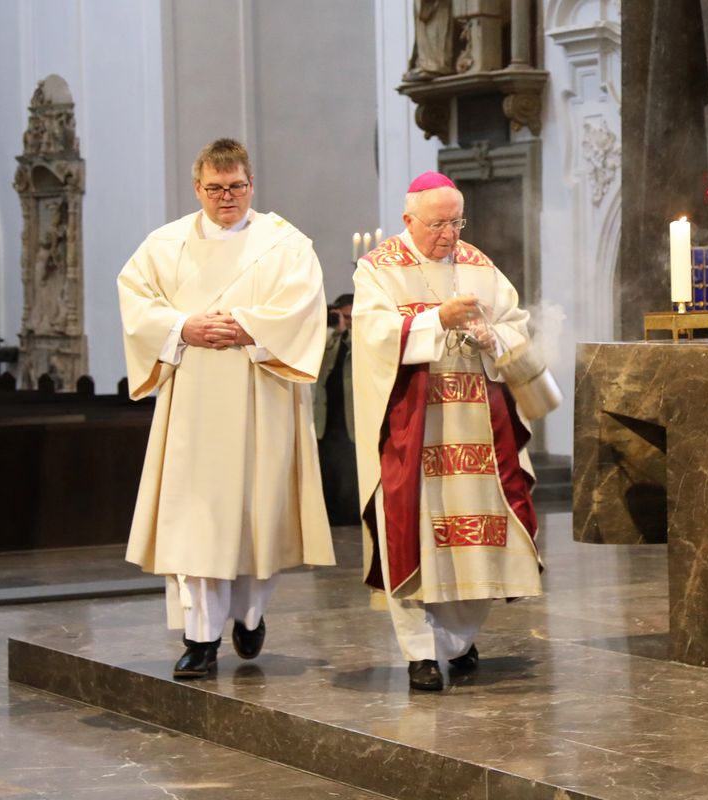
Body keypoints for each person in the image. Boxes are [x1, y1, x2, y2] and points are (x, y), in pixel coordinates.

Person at [117, 138, 334, 679]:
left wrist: (246, 327)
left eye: (236, 186)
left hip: (261, 393)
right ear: (197, 189)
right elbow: (136, 302)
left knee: (256, 515)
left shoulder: (284, 244)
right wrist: (182, 326)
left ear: (250, 184)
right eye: (214, 189)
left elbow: (304, 306)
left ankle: (251, 614)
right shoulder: (164, 246)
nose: (226, 197)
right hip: (193, 401)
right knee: (198, 521)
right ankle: (201, 638)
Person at [351, 171, 543, 691]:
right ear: (408, 219)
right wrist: (438, 317)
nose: (449, 235)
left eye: (457, 222)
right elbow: (372, 336)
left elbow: (516, 327)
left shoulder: (480, 266)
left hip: (477, 430)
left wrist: (488, 334)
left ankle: (456, 641)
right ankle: (419, 653)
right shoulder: (379, 269)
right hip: (414, 429)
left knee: (475, 538)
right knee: (411, 534)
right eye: (438, 224)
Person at [315, 293, 360, 525]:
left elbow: (357, 347)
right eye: (342, 316)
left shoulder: (358, 338)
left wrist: (346, 331)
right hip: (324, 417)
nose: (346, 322)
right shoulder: (328, 339)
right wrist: (334, 329)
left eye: (351, 317)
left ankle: (349, 518)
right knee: (326, 472)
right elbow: (317, 355)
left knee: (348, 476)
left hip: (350, 418)